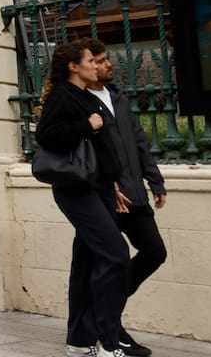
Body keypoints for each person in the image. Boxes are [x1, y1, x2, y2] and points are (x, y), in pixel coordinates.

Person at [36, 40, 129, 357]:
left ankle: (78, 341)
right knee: (115, 254)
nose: (96, 64)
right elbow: (46, 135)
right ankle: (108, 341)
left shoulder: (84, 95)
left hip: (99, 186)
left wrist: (113, 182)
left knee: (87, 260)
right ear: (74, 66)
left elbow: (102, 147)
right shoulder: (64, 94)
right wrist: (85, 125)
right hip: (77, 189)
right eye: (91, 60)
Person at [81, 39, 167, 357]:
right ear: (84, 67)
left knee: (154, 251)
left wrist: (154, 180)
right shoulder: (79, 103)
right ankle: (110, 330)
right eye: (100, 61)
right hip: (104, 196)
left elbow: (138, 139)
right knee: (108, 262)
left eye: (106, 59)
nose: (108, 64)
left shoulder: (118, 96)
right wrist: (104, 183)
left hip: (133, 193)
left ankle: (106, 312)